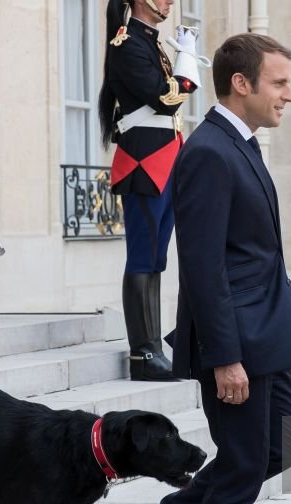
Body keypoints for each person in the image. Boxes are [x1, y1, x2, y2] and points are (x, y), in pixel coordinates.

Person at [113, 33, 291, 504]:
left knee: (276, 450)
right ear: (241, 83)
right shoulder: (206, 152)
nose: (289, 94)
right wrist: (225, 356)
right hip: (237, 344)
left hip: (266, 334)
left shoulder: (238, 143)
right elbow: (200, 265)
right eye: (278, 82)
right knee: (244, 466)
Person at [98, 0, 202, 381]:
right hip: (144, 162)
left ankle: (154, 345)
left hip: (165, 159)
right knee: (143, 256)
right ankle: (142, 352)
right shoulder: (127, 44)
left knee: (157, 258)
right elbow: (166, 97)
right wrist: (188, 65)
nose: (170, 2)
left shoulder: (150, 44)